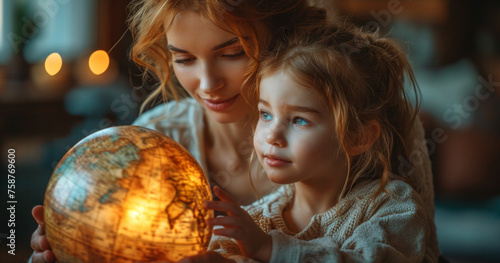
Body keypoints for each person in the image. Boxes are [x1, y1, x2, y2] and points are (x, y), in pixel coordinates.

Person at [29, 0, 436, 262]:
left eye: (232, 53)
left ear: (283, 41)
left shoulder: (381, 164)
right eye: (184, 59)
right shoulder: (150, 148)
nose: (207, 84)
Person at [183, 21, 440, 262]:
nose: (272, 135)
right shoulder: (256, 220)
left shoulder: (394, 208)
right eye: (266, 114)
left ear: (358, 136)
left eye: (299, 120)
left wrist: (268, 249)